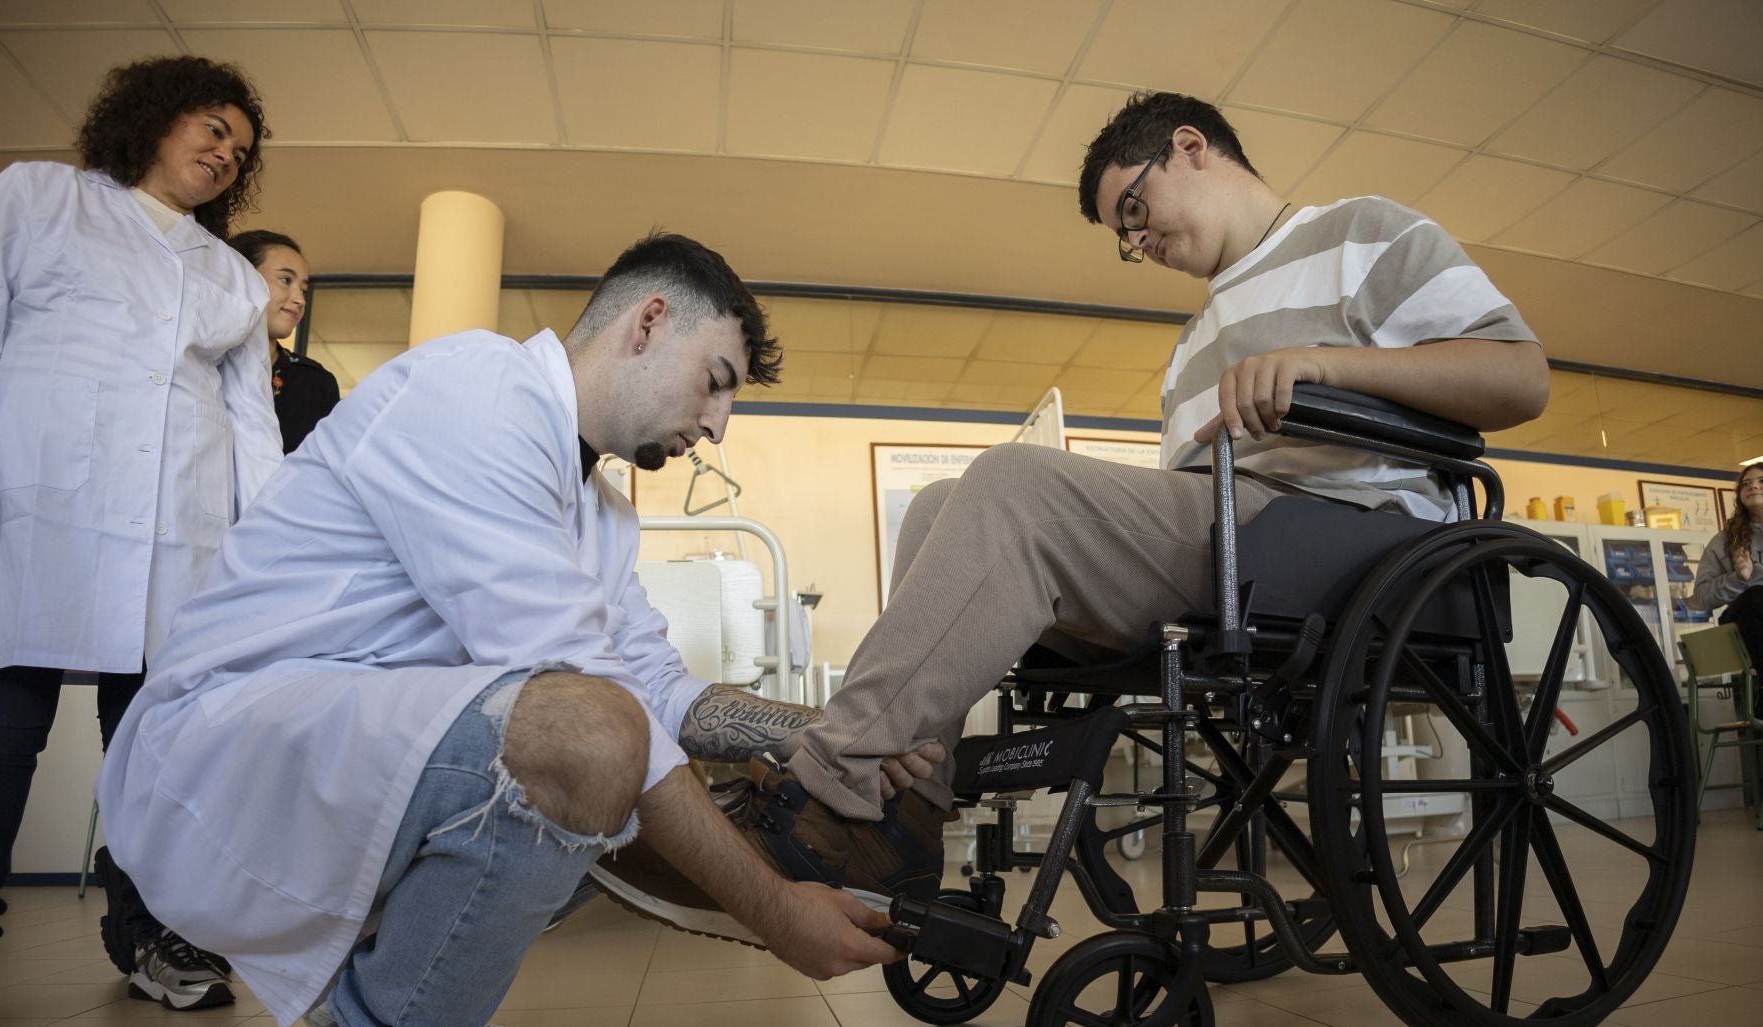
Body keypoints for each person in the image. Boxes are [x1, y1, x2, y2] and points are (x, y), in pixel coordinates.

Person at [593, 89, 1552, 934]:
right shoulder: (1191, 349)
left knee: (1012, 485)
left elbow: (1520, 376)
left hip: (1348, 538)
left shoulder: (1362, 234)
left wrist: (1323, 364)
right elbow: (1187, 505)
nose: (1136, 242)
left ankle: (830, 788)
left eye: (1133, 210)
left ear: (1190, 147)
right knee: (939, 505)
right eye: (1121, 237)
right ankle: (907, 817)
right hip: (1236, 541)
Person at [96, 233, 935, 1027]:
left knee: (615, 765)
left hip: (346, 751)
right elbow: (611, 716)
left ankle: (393, 982)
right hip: (224, 756)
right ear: (647, 323)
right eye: (714, 383)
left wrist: (810, 728)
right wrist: (778, 914)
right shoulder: (478, 395)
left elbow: (660, 688)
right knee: (590, 747)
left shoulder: (602, 511)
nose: (718, 424)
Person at [0, 56, 283, 1027]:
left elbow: (252, 428)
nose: (222, 147)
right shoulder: (40, 196)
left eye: (236, 145)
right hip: (36, 507)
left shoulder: (231, 276)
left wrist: (267, 554)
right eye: (209, 123)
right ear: (150, 118)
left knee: (152, 746)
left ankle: (152, 932)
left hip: (180, 532)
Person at [227, 228, 339, 453]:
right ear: (240, 278)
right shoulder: (199, 363)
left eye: (304, 290)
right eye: (285, 280)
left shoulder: (314, 382)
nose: (299, 300)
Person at [1692, 462, 1763, 695]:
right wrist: (1738, 579)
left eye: (1761, 481)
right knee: (1756, 595)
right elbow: (1702, 598)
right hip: (1748, 619)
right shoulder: (1725, 541)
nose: (1753, 486)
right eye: (1746, 483)